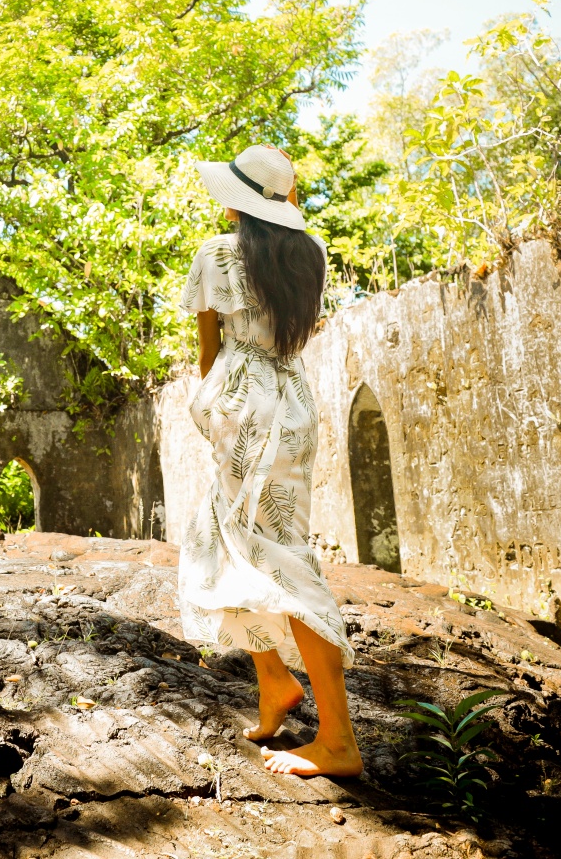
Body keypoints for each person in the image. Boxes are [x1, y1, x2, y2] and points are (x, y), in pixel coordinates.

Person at [176, 144, 362, 779]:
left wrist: (215, 415)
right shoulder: (311, 254)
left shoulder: (216, 254)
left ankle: (338, 741)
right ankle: (275, 681)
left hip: (244, 407)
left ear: (237, 200)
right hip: (294, 404)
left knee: (277, 557)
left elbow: (209, 354)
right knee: (230, 538)